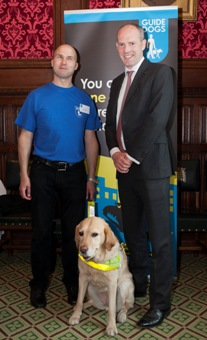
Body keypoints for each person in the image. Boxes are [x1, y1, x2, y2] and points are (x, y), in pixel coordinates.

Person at [15, 44, 101, 308]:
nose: (64, 62)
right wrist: (24, 174)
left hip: (75, 175)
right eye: (59, 57)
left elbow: (91, 141)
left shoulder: (85, 100)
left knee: (74, 235)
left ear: (77, 66)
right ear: (52, 62)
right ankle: (38, 284)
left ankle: (73, 283)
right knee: (41, 232)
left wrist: (91, 178)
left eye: (70, 58)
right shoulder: (36, 97)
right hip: (42, 172)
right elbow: (25, 137)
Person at [105, 24, 175, 328]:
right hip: (125, 169)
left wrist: (130, 156)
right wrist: (114, 152)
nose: (126, 50)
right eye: (121, 45)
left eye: (132, 43)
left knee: (159, 239)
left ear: (144, 43)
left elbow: (157, 119)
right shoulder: (118, 81)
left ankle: (160, 304)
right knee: (133, 234)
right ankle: (141, 287)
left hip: (152, 167)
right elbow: (110, 124)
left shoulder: (161, 73)